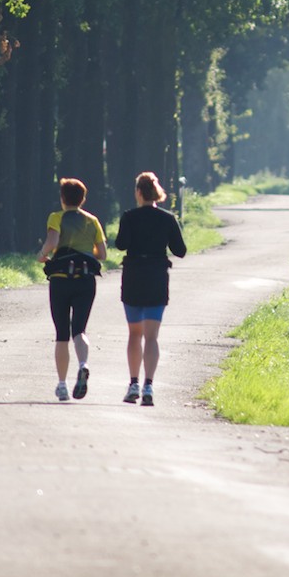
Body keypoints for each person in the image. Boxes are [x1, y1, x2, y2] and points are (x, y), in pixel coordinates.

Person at [113, 171, 186, 406]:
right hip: (156, 278)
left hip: (133, 278)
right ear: (156, 192)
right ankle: (149, 386)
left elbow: (121, 244)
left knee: (134, 334)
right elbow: (180, 250)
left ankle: (133, 383)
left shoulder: (129, 217)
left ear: (138, 192)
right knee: (152, 337)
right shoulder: (167, 218)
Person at [37, 177, 106, 401]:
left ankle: (62, 386)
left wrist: (42, 255)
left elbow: (52, 241)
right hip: (85, 280)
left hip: (60, 280)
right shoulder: (92, 221)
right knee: (79, 330)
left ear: (62, 198)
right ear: (83, 198)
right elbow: (102, 254)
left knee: (61, 333)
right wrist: (83, 252)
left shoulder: (56, 217)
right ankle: (83, 364)